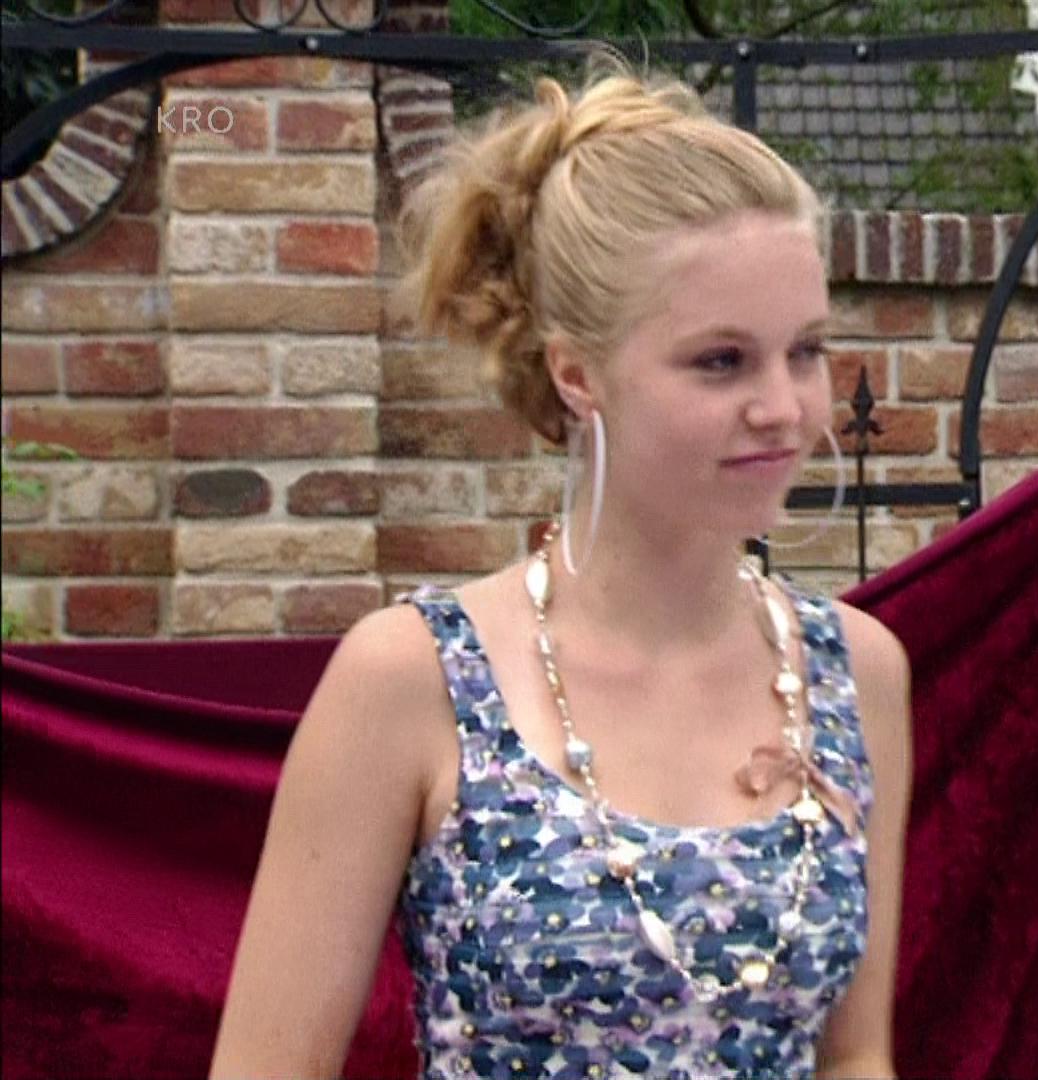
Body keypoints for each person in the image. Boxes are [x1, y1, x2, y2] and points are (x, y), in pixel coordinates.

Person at [208, 60, 911, 1080]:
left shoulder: (855, 673)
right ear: (577, 373)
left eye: (804, 351)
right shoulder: (413, 680)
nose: (784, 408)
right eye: (721, 361)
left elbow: (856, 1055)